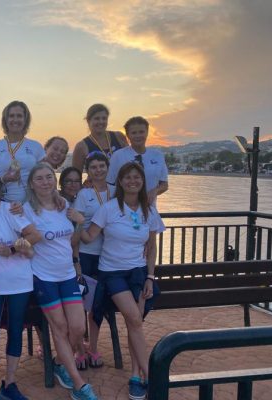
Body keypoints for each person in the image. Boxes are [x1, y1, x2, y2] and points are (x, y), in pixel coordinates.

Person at [79, 162, 165, 400]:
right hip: (112, 273)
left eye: (137, 177)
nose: (132, 181)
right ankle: (151, 376)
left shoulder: (149, 211)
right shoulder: (108, 208)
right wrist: (75, 221)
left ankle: (136, 376)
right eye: (127, 177)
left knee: (134, 323)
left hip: (139, 273)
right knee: (135, 319)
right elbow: (88, 237)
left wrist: (150, 277)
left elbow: (152, 247)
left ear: (142, 181)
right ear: (120, 181)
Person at [23, 163, 98, 400]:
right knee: (60, 328)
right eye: (39, 178)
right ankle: (79, 385)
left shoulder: (63, 205)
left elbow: (72, 241)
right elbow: (22, 240)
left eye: (48, 177)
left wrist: (79, 222)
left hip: (67, 275)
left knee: (78, 328)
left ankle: (58, 362)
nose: (45, 182)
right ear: (31, 183)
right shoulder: (26, 210)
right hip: (43, 277)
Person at [0, 174, 41, 400]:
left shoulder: (9, 210)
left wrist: (11, 249)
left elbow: (34, 235)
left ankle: (9, 384)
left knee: (15, 331)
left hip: (19, 282)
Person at [72, 152, 115, 370]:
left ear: (108, 167)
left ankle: (94, 347)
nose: (98, 170)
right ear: (88, 170)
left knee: (97, 305)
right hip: (87, 254)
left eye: (102, 166)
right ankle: (80, 350)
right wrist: (76, 259)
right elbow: (76, 226)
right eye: (94, 167)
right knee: (81, 304)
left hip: (109, 256)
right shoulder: (84, 194)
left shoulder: (117, 191)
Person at [0, 101, 45, 202]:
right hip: (2, 204)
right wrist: (3, 179)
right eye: (11, 116)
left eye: (19, 116)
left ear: (25, 120)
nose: (15, 120)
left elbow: (46, 177)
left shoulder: (36, 147)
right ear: (5, 120)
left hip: (32, 205)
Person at [106, 116, 168, 205]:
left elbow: (164, 184)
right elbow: (109, 183)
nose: (138, 136)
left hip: (149, 208)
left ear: (147, 132)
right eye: (134, 133)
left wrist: (155, 191)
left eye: (141, 132)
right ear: (128, 135)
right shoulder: (118, 156)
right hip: (122, 208)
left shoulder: (158, 156)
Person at [71, 104, 127, 172]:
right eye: (97, 118)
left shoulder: (119, 136)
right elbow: (75, 175)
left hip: (121, 178)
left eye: (104, 118)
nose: (101, 122)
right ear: (88, 121)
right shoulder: (81, 146)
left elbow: (130, 160)